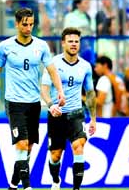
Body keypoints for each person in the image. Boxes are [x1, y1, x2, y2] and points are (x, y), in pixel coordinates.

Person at [0, 8, 66, 190]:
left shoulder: (41, 46)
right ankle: (27, 186)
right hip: (14, 102)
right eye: (25, 24)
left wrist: (60, 91)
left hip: (34, 103)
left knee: (27, 148)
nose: (29, 28)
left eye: (31, 24)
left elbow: (52, 70)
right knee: (21, 143)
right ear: (17, 24)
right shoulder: (5, 47)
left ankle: (13, 184)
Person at [40, 27, 96, 190]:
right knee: (55, 155)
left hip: (76, 114)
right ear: (63, 43)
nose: (74, 44)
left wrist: (93, 119)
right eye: (70, 41)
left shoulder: (85, 66)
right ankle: (56, 180)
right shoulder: (53, 64)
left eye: (76, 41)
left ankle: (76, 188)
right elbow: (44, 89)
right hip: (57, 115)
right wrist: (51, 106)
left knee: (78, 146)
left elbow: (90, 93)